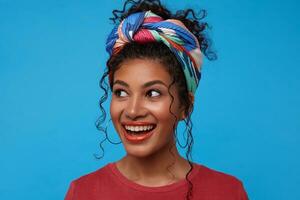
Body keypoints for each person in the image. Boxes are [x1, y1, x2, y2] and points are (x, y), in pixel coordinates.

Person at [65, 0, 249, 199]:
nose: (133, 111)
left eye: (152, 93)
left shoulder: (227, 192)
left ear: (185, 106)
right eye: (121, 92)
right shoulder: (83, 192)